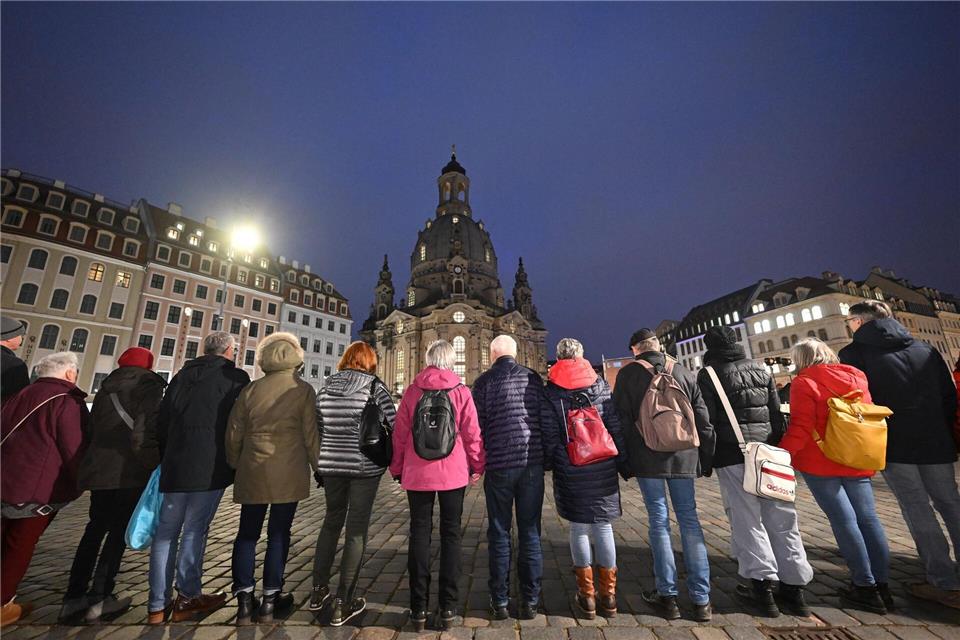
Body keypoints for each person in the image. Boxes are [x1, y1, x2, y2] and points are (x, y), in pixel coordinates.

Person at [839, 300, 960, 609]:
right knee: (951, 504)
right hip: (937, 442)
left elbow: (857, 404)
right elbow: (949, 397)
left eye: (849, 320)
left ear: (860, 322)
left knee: (917, 508)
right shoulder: (925, 350)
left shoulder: (854, 354)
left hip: (894, 443)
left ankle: (944, 581)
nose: (848, 325)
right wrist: (940, 429)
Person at [697, 325, 813, 618]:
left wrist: (706, 461)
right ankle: (795, 588)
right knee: (783, 518)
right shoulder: (760, 369)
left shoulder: (709, 374)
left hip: (733, 455)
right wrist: (777, 448)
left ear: (709, 347)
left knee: (747, 520)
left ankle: (762, 589)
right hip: (769, 453)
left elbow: (707, 423)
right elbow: (776, 413)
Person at [778, 338, 891, 613]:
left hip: (822, 461)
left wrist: (781, 454)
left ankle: (864, 586)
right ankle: (883, 585)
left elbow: (802, 426)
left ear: (801, 359)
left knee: (844, 521)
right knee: (869, 519)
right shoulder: (857, 376)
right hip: (857, 454)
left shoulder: (803, 383)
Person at [612, 329, 715, 622]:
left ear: (635, 350)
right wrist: (704, 458)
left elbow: (620, 420)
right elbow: (702, 418)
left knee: (659, 522)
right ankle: (701, 599)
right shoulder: (682, 371)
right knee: (690, 521)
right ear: (658, 346)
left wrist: (626, 460)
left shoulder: (629, 374)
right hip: (684, 456)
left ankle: (667, 596)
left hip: (648, 457)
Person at [147, 332, 250, 624]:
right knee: (194, 530)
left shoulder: (181, 376)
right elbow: (237, 424)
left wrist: (167, 454)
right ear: (230, 350)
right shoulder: (236, 378)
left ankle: (156, 605)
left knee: (165, 534)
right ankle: (188, 597)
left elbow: (163, 420)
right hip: (209, 465)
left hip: (175, 463)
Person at [60, 347, 167, 623]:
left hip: (100, 469)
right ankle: (101, 597)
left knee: (94, 530)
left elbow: (91, 429)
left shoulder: (106, 386)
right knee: (118, 532)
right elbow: (144, 431)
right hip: (129, 470)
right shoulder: (148, 385)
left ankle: (73, 598)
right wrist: (153, 463)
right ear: (148, 365)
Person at [226, 333, 321, 624]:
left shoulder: (250, 390)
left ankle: (244, 599)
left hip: (252, 468)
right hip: (288, 469)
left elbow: (233, 433)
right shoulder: (302, 390)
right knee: (279, 533)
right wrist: (319, 467)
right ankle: (270, 597)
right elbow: (310, 434)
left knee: (246, 534)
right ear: (296, 359)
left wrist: (235, 464)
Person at [391, 340, 484, 631]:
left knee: (419, 534)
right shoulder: (461, 391)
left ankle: (418, 609)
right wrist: (477, 465)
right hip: (453, 473)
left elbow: (401, 433)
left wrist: (396, 468)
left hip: (418, 472)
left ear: (429, 360)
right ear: (452, 360)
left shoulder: (413, 390)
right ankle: (448, 608)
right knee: (451, 535)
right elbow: (472, 433)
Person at [310, 341, 396, 626]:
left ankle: (318, 590)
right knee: (356, 531)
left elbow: (319, 427)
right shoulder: (375, 388)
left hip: (331, 467)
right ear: (370, 361)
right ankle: (343, 601)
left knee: (330, 522)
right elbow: (393, 424)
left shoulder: (325, 388)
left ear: (345, 359)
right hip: (363, 467)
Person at [1, 352, 88, 627]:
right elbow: (73, 447)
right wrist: (81, 481)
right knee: (20, 544)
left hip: (5, 480)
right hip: (38, 485)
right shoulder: (65, 401)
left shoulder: (18, 395)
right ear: (70, 374)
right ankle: (3, 603)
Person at [541, 339, 626, 620]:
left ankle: (587, 597)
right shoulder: (599, 384)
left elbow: (549, 434)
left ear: (558, 357)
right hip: (602, 462)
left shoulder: (551, 390)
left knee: (578, 529)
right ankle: (609, 597)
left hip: (571, 464)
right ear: (581, 355)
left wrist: (557, 460)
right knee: (603, 528)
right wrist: (621, 457)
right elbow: (613, 423)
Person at [471, 334, 546, 620]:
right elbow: (544, 418)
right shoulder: (533, 378)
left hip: (500, 465)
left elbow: (476, 428)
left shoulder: (484, 382)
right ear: (515, 354)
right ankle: (530, 601)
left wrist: (478, 464)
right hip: (530, 464)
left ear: (491, 355)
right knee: (530, 532)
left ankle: (500, 602)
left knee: (499, 532)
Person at [1, 317, 30, 404]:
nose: (22, 338)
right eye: (21, 335)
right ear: (8, 337)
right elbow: (21, 399)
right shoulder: (15, 364)